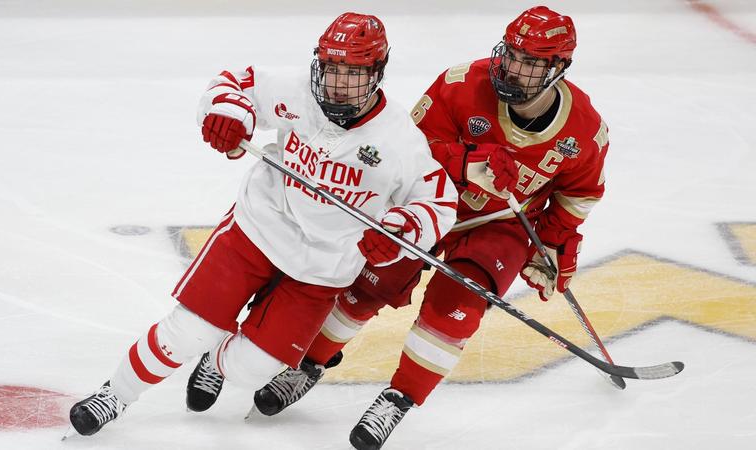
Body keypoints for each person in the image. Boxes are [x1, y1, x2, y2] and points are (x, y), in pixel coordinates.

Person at [209, 6, 611, 450]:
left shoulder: (586, 130)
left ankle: (400, 397)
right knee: (366, 285)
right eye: (511, 54)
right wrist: (465, 161)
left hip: (500, 224)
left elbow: (579, 194)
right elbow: (405, 151)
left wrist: (555, 243)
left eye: (530, 62)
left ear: (560, 67)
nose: (513, 69)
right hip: (423, 205)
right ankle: (309, 364)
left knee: (458, 302)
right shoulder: (460, 85)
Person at [66, 12, 457, 437]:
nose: (337, 82)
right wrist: (229, 114)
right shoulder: (295, 92)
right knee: (185, 332)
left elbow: (437, 201)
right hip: (258, 228)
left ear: (377, 73)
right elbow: (233, 84)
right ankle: (115, 395)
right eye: (331, 68)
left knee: (249, 370)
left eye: (352, 72)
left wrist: (402, 229)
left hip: (322, 267)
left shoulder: (398, 139)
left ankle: (217, 356)